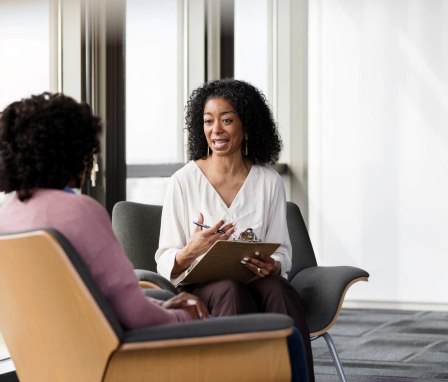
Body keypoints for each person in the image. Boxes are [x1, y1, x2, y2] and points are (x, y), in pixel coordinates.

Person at [0, 92, 209, 330]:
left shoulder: (7, 216)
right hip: (122, 360)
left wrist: (161, 306)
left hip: (47, 359)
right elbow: (136, 316)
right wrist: (184, 317)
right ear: (73, 152)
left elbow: (91, 301)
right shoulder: (80, 211)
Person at [155, 78, 315, 380]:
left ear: (247, 126)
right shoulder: (183, 181)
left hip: (253, 277)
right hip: (203, 285)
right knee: (230, 290)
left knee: (281, 291)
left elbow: (281, 248)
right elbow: (165, 258)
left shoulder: (268, 181)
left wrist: (273, 264)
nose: (216, 130)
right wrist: (193, 250)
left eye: (227, 120)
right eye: (208, 121)